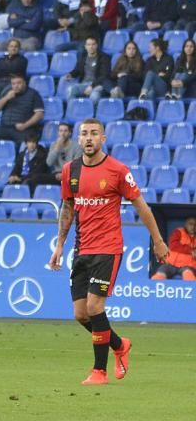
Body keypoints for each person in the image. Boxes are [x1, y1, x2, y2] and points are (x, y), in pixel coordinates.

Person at [48, 119, 168, 385]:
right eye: (84, 134)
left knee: (94, 306)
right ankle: (119, 344)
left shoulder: (117, 170)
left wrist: (158, 241)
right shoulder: (70, 170)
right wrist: (59, 245)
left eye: (93, 134)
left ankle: (99, 371)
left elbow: (142, 207)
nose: (88, 138)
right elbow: (68, 209)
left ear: (103, 138)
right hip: (82, 248)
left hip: (108, 248)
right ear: (79, 140)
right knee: (80, 314)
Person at [0, 74, 44, 144]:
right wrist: (6, 98)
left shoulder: (33, 94)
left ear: (25, 83)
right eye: (13, 84)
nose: (16, 86)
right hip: (4, 127)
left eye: (19, 83)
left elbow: (39, 114)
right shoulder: (7, 92)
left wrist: (25, 125)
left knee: (23, 145)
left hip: (23, 128)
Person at [63, 36, 113, 102]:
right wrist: (71, 74)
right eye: (88, 44)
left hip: (98, 85)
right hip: (84, 84)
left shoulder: (104, 57)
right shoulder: (83, 56)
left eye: (93, 44)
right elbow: (78, 70)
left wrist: (92, 86)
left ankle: (91, 112)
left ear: (97, 46)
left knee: (94, 96)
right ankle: (73, 110)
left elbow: (104, 76)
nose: (91, 47)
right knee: (70, 89)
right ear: (85, 46)